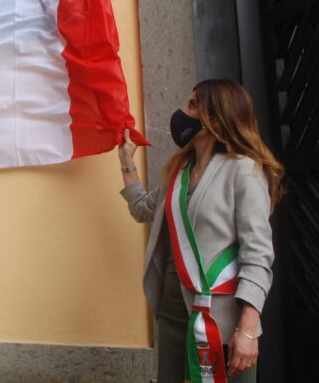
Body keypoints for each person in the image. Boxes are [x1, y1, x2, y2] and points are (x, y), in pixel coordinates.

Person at [118, 79, 283, 382]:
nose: (182, 111)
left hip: (222, 320)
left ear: (216, 119)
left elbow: (257, 255)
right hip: (173, 314)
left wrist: (247, 330)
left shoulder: (243, 170)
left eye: (192, 105)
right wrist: (126, 162)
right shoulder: (180, 173)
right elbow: (142, 209)